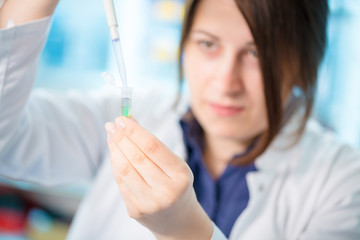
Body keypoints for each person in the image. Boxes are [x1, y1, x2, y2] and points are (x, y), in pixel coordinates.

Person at [1, 0, 360, 239]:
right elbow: (6, 142)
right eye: (208, 44)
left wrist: (185, 229)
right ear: (184, 45)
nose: (226, 82)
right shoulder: (129, 111)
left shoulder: (342, 180)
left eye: (256, 53)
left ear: (304, 63)